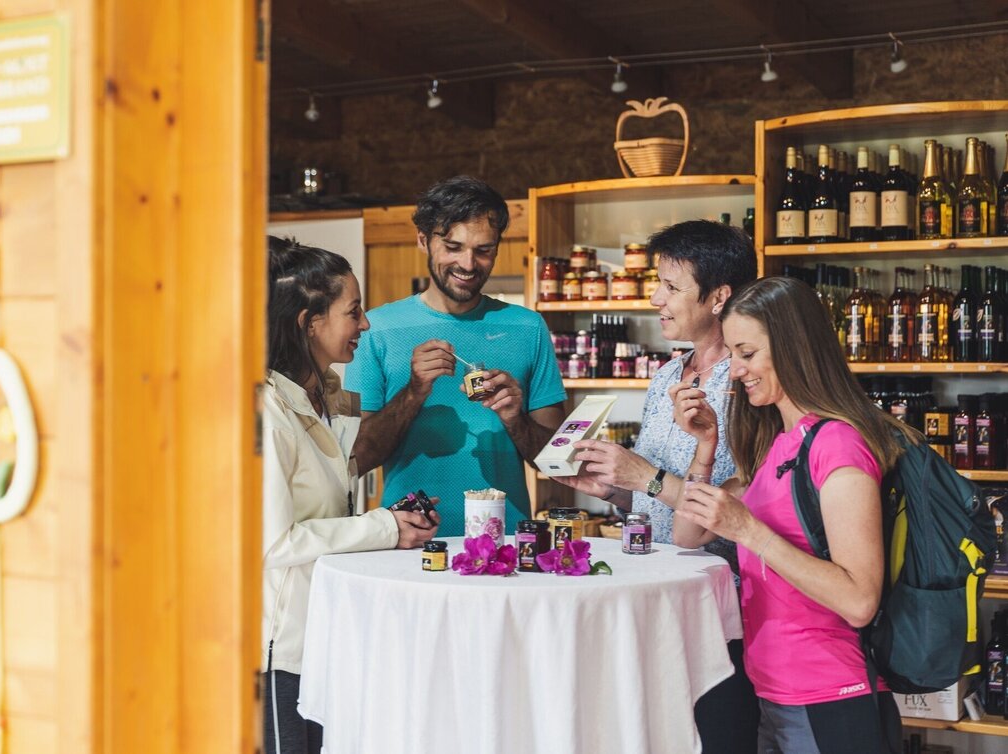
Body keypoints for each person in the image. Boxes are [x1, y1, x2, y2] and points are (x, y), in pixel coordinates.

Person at [672, 276, 918, 754]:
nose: (736, 370)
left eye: (747, 353)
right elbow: (688, 532)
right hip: (774, 694)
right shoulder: (778, 442)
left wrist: (749, 530)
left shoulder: (839, 446)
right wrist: (705, 449)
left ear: (792, 347)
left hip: (831, 697)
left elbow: (859, 600)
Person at [550, 219, 759, 753]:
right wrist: (612, 487)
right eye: (657, 283)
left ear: (719, 297)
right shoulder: (666, 375)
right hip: (654, 588)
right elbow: (654, 493)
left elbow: (730, 503)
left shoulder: (747, 382)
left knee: (716, 735)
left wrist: (642, 475)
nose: (656, 298)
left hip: (722, 599)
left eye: (671, 286)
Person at [262, 236, 438, 754]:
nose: (365, 324)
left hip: (328, 633)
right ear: (307, 322)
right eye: (354, 312)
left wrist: (393, 521)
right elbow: (273, 543)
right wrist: (385, 527)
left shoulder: (326, 398)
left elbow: (333, 502)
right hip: (282, 650)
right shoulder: (265, 413)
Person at [346, 176, 566, 536]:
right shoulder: (377, 329)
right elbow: (356, 458)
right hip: (410, 539)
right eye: (453, 246)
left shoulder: (527, 327)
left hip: (504, 541)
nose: (468, 263)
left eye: (484, 249)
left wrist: (515, 419)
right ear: (423, 240)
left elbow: (556, 462)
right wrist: (413, 392)